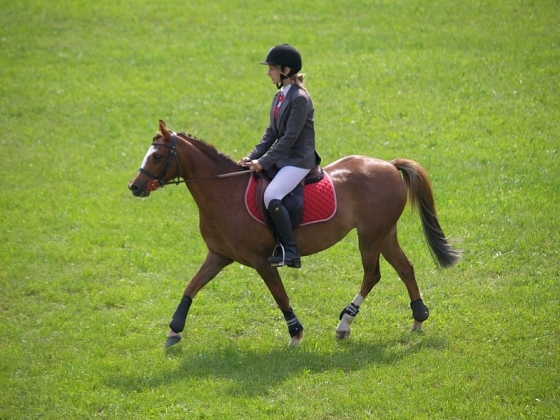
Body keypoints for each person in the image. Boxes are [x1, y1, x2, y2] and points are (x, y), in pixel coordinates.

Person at [237, 44, 320, 269]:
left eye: (272, 68)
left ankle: (290, 250)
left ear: (285, 70)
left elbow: (289, 138)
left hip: (298, 160)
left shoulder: (300, 98)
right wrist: (250, 157)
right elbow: (271, 133)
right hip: (284, 159)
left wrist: (263, 162)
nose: (268, 73)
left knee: (271, 195)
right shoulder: (279, 96)